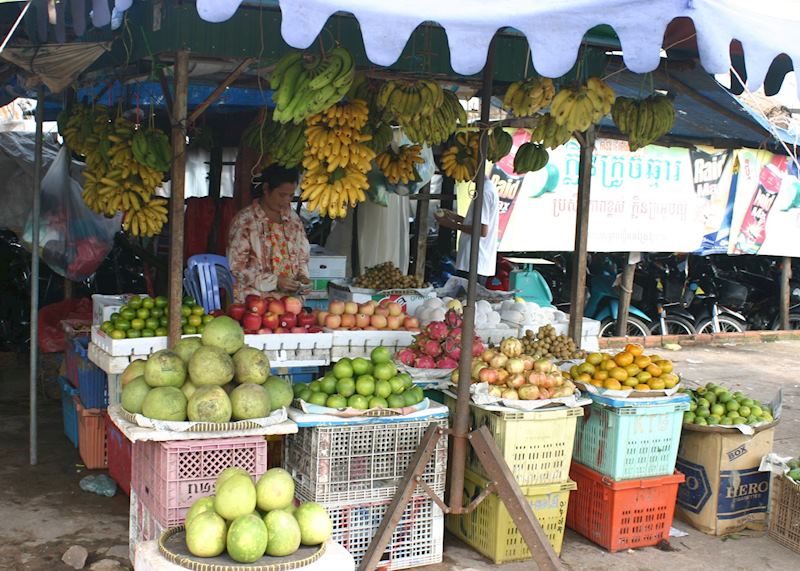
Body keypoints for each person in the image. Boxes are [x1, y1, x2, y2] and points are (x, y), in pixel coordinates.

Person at [227, 164, 310, 302]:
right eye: (282, 195)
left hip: (290, 304)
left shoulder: (293, 220)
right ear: (266, 189)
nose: (286, 201)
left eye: (291, 195)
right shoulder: (245, 221)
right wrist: (274, 281)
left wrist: (303, 278)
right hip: (253, 302)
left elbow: (302, 257)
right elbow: (237, 267)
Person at [437, 177, 499, 284]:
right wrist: (454, 217)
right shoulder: (486, 189)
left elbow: (482, 230)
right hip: (474, 263)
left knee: (466, 300)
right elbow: (477, 223)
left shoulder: (484, 192)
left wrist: (451, 224)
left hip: (474, 262)